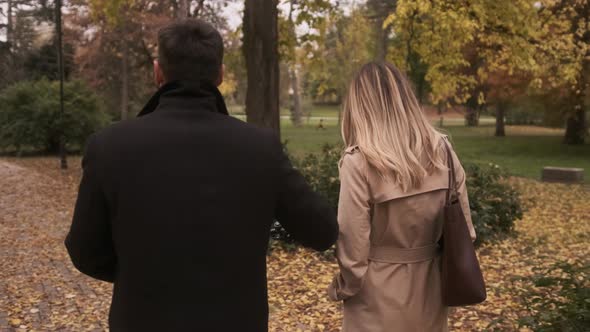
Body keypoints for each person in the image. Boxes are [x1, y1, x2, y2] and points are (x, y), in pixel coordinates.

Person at [65, 19, 338, 332]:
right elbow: (321, 231)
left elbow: (84, 250)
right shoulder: (259, 148)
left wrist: (141, 273)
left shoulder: (109, 146)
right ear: (220, 74)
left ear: (158, 72)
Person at [327, 62, 476, 331]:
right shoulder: (442, 151)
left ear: (360, 105)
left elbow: (353, 247)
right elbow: (465, 229)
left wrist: (344, 287)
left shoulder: (358, 161)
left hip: (374, 294)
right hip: (431, 289)